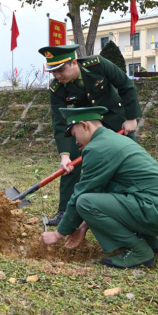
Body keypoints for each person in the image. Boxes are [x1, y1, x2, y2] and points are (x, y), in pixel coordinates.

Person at [41, 106, 158, 269]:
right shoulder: (114, 139)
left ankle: (139, 250)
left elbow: (83, 195)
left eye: (74, 134)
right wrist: (83, 227)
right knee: (100, 197)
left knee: (84, 201)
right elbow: (104, 192)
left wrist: (58, 234)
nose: (75, 142)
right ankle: (149, 242)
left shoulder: (97, 148)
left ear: (84, 125)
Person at [41, 44, 141, 226]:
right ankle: (64, 210)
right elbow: (59, 122)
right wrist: (64, 155)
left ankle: (139, 203)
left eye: (60, 70)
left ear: (73, 62)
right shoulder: (57, 89)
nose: (57, 76)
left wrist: (131, 118)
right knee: (71, 163)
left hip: (114, 120)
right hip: (82, 127)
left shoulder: (97, 64)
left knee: (130, 158)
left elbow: (126, 86)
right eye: (53, 72)